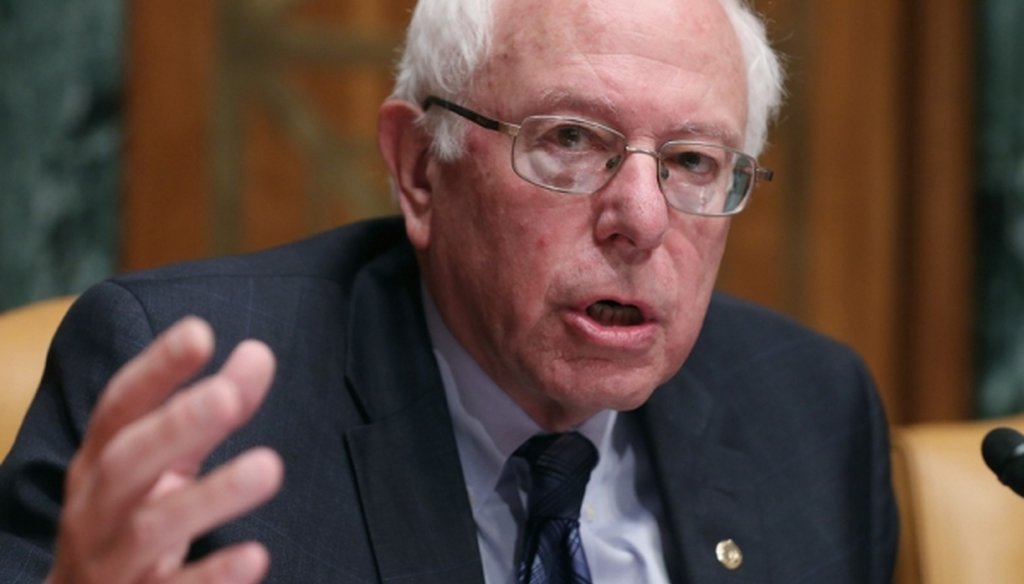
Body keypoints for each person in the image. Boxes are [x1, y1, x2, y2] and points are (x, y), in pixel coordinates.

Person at [0, 0, 899, 581]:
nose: (643, 219)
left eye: (693, 161)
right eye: (573, 140)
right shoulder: (196, 402)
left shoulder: (813, 415)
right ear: (422, 170)